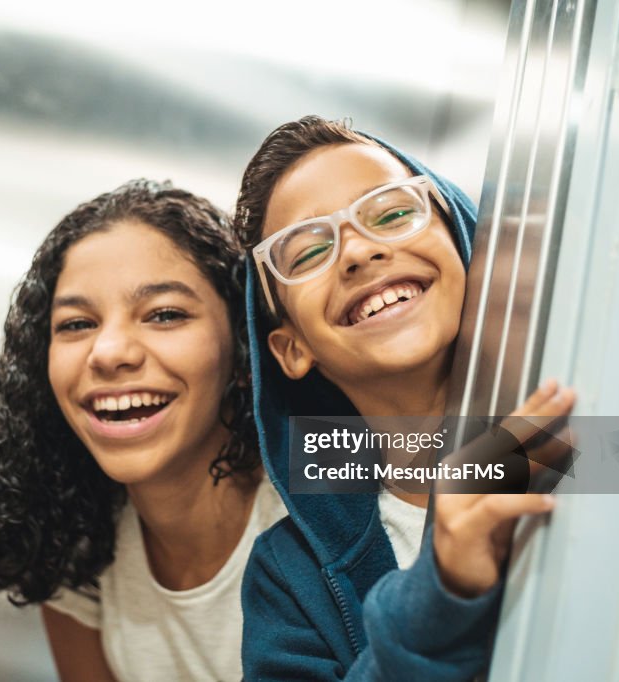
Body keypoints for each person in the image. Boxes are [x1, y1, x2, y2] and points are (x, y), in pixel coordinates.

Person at [233, 116, 576, 680]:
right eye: (308, 252)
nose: (358, 253)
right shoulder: (288, 581)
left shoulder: (591, 422)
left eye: (392, 213)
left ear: (463, 244)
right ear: (292, 348)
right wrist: (437, 597)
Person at [0, 179, 285, 681]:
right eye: (77, 324)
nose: (110, 352)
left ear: (244, 346)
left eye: (164, 315)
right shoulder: (72, 541)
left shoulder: (332, 477)